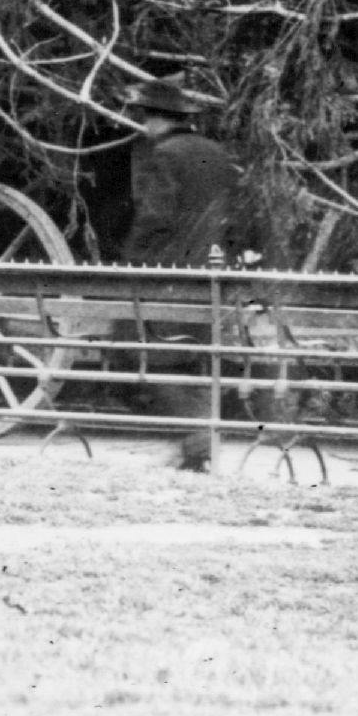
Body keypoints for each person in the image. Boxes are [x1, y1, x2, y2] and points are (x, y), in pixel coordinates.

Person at [119, 76, 243, 473]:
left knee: (150, 355)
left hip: (171, 272)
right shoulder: (217, 153)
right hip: (211, 268)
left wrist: (130, 261)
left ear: (157, 120)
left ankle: (196, 443)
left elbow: (156, 217)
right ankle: (198, 446)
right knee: (196, 358)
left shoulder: (165, 155)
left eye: (145, 117)